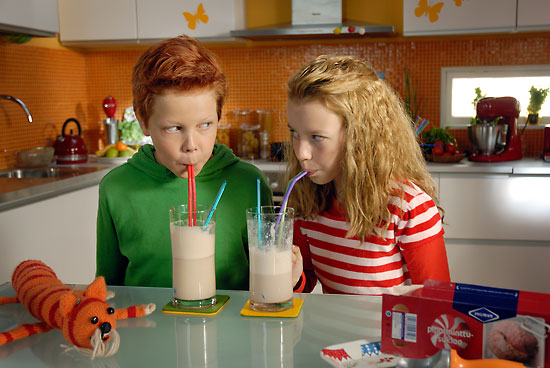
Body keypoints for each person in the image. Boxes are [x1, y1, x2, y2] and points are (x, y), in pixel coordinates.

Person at [96, 35, 274, 290]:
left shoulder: (250, 184)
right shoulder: (116, 188)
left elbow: (270, 281)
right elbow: (107, 286)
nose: (191, 144)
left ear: (218, 116)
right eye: (174, 128)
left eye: (205, 125)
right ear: (143, 121)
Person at [287, 55, 450, 295]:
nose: (301, 153)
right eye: (295, 133)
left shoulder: (409, 208)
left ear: (359, 137)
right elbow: (307, 280)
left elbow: (439, 301)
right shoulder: (307, 203)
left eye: (317, 137)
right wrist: (291, 278)